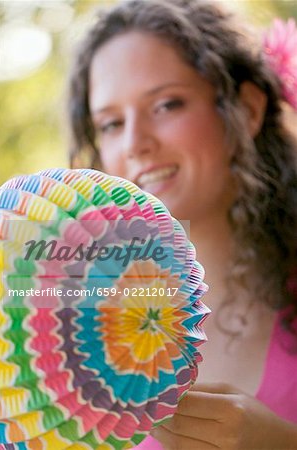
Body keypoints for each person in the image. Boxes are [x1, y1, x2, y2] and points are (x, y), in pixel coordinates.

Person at [67, 0, 297, 448]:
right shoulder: (70, 330)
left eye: (167, 104)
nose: (135, 143)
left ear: (246, 110)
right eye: (111, 124)